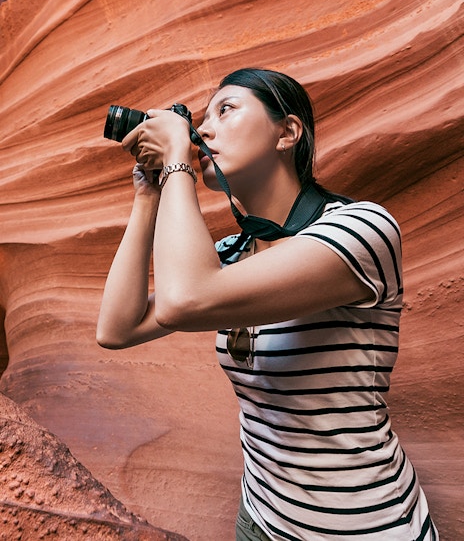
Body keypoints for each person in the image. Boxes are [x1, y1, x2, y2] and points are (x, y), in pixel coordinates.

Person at [97, 68, 438, 540]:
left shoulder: (362, 230)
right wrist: (147, 193)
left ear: (288, 132)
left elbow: (185, 299)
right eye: (200, 120)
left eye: (226, 109)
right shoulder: (232, 256)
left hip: (360, 525)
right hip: (259, 517)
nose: (203, 130)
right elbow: (116, 329)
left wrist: (177, 157)